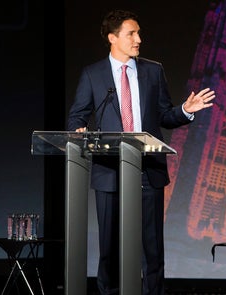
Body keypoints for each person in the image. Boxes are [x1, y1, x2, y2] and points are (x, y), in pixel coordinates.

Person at [67, 10, 215, 295]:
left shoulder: (152, 70)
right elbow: (78, 115)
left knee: (151, 248)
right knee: (109, 247)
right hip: (109, 171)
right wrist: (78, 131)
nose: (139, 39)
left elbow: (164, 116)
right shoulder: (93, 74)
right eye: (131, 34)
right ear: (113, 38)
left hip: (147, 170)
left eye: (138, 33)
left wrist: (185, 111)